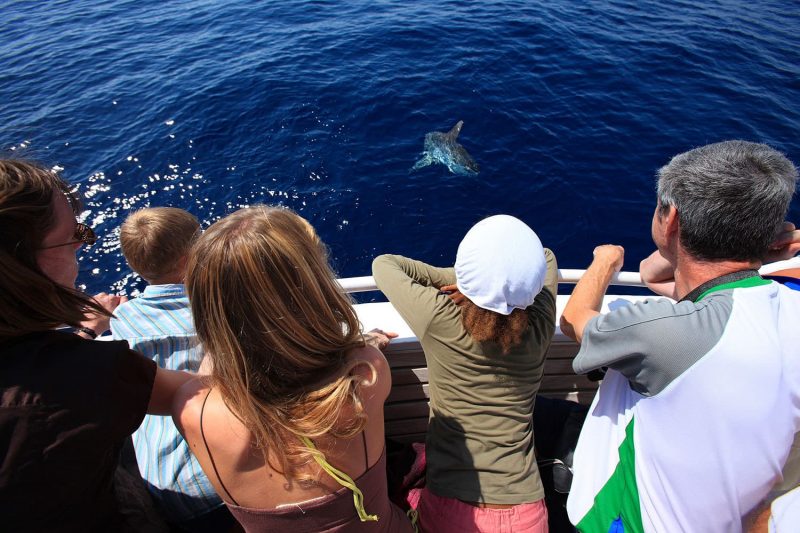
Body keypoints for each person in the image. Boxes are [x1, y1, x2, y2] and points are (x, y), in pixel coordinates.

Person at [559, 141, 800, 532]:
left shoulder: (666, 334)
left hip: (626, 520)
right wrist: (756, 248)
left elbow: (573, 319)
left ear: (670, 220)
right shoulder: (788, 308)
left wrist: (603, 262)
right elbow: (656, 277)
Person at [172, 205, 413, 532]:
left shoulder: (191, 410)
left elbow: (215, 367)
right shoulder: (364, 373)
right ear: (313, 290)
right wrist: (368, 342)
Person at [0, 160, 195, 531]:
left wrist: (87, 333)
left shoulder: (74, 360)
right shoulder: (78, 374)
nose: (82, 241)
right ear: (17, 266)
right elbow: (194, 393)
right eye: (72, 234)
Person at [372, 214, 558, 533]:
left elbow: (384, 265)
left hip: (454, 513)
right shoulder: (541, 324)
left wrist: (464, 281)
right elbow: (546, 256)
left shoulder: (438, 320)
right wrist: (487, 288)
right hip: (528, 515)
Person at [111, 207, 231, 530]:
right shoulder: (215, 303)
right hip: (223, 479)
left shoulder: (122, 319)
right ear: (187, 259)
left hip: (165, 490)